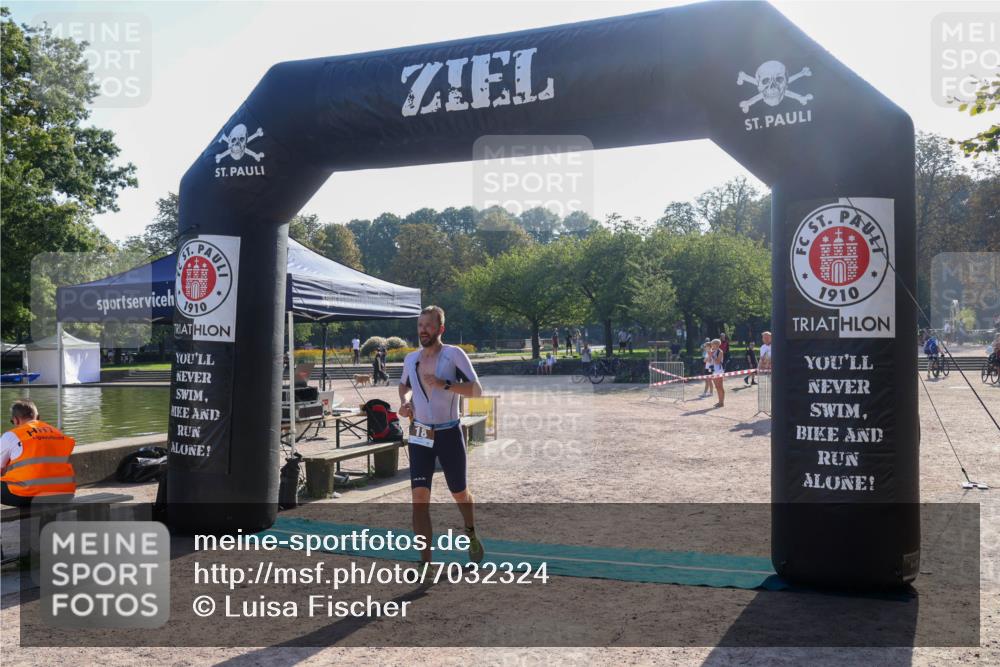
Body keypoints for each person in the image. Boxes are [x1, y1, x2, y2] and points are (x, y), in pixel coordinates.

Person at [398, 306, 485, 565]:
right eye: (420, 325)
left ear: (440, 329)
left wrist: (444, 384)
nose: (423, 330)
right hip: (420, 433)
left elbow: (477, 390)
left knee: (459, 492)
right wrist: (405, 401)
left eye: (428, 325)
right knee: (419, 498)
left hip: (449, 432)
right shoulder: (410, 359)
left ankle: (470, 531)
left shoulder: (453, 355)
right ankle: (425, 563)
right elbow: (404, 384)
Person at [1, 399, 76, 508]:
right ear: (38, 417)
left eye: (13, 422)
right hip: (65, 493)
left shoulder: (12, 436)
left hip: (29, 496)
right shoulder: (57, 433)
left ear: (16, 420)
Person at [709, 338, 726, 408]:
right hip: (713, 371)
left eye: (712, 344)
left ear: (716, 345)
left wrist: (712, 355)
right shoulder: (712, 351)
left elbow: (718, 361)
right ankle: (719, 402)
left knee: (720, 387)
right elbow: (709, 360)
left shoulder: (720, 351)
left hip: (718, 370)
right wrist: (709, 355)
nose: (711, 346)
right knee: (717, 387)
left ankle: (721, 402)